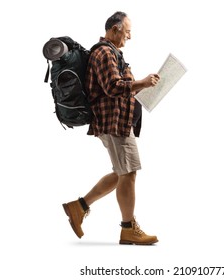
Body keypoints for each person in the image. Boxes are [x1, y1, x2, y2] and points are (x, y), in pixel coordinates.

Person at [62, 11, 160, 245]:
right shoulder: (105, 52)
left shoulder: (111, 53)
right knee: (128, 173)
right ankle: (128, 228)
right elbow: (113, 87)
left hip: (117, 121)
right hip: (114, 123)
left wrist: (144, 86)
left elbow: (121, 88)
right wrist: (142, 82)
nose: (129, 37)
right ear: (115, 29)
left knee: (121, 172)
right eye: (127, 32)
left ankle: (79, 207)